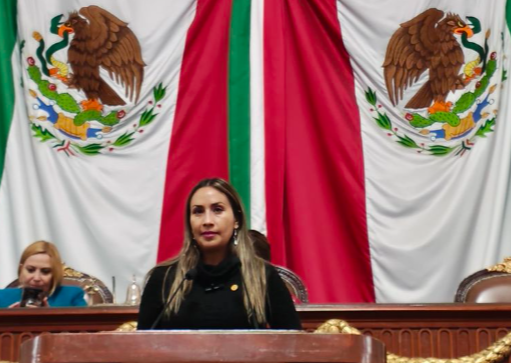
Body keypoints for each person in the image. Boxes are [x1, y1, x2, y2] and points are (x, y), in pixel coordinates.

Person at [138, 178, 302, 330]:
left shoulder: (262, 276)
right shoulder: (164, 278)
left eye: (217, 210)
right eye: (198, 212)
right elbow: (141, 351)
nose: (207, 221)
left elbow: (293, 346)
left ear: (236, 220)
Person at [0, 241, 87, 308]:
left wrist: (48, 318)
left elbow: (87, 327)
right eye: (30, 270)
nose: (36, 278)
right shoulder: (2, 296)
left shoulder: (72, 295)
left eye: (45, 271)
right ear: (21, 269)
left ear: (54, 273)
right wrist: (7, 319)